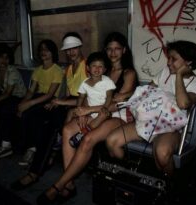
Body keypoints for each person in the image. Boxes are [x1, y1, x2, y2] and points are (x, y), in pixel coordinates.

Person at [37, 31, 137, 204]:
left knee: (88, 139)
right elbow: (84, 94)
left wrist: (86, 110)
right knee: (67, 129)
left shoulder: (128, 73)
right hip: (95, 113)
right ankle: (70, 184)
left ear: (124, 50)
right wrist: (81, 109)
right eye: (109, 49)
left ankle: (59, 185)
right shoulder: (99, 70)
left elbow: (113, 104)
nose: (113, 53)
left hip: (117, 116)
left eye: (117, 49)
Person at [105, 40, 196, 177]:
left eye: (173, 59)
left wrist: (179, 76)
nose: (168, 62)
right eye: (168, 58)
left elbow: (183, 104)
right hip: (148, 122)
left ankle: (168, 185)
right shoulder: (165, 72)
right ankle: (129, 172)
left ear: (188, 62)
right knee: (112, 141)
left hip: (170, 129)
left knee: (162, 153)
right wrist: (128, 98)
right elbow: (147, 92)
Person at [10, 32, 88, 190]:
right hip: (68, 104)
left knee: (50, 128)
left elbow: (86, 99)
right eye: (67, 50)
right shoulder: (68, 69)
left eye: (74, 49)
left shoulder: (86, 67)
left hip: (82, 106)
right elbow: (68, 93)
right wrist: (58, 102)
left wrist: (60, 101)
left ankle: (35, 171)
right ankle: (40, 152)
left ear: (80, 48)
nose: (70, 53)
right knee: (37, 116)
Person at [0, 39, 64, 161]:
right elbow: (31, 91)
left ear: (52, 52)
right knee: (8, 109)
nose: (43, 52)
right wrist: (23, 103)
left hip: (50, 100)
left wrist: (29, 104)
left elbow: (50, 94)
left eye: (46, 49)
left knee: (28, 114)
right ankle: (6, 144)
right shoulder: (38, 70)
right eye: (41, 49)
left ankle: (31, 149)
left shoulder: (57, 70)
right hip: (38, 96)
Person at [0, 43, 27, 158]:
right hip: (7, 96)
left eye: (7, 58)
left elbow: (8, 93)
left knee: (4, 109)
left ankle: (6, 145)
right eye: (1, 57)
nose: (4, 60)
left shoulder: (13, 72)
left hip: (19, 97)